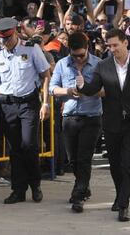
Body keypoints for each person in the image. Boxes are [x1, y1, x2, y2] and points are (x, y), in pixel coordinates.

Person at [76, 29, 130, 222]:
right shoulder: (103, 65)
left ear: (125, 43)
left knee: (128, 164)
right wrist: (81, 85)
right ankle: (120, 195)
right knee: (115, 166)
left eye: (115, 45)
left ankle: (123, 204)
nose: (112, 49)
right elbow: (93, 88)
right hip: (112, 122)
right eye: (109, 46)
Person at [0, 17, 50, 204]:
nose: (4, 42)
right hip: (7, 104)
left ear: (15, 33)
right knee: (15, 148)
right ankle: (18, 190)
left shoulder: (31, 48)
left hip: (28, 102)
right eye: (1, 39)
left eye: (8, 39)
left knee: (29, 145)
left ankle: (35, 185)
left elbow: (45, 75)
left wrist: (45, 103)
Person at [49, 32, 102, 213]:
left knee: (84, 158)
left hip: (92, 116)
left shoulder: (98, 64)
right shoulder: (63, 64)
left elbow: (106, 90)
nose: (79, 59)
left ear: (87, 48)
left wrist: (88, 89)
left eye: (82, 55)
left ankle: (78, 195)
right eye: (75, 55)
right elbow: (52, 88)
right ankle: (83, 186)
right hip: (70, 116)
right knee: (72, 159)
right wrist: (68, 91)